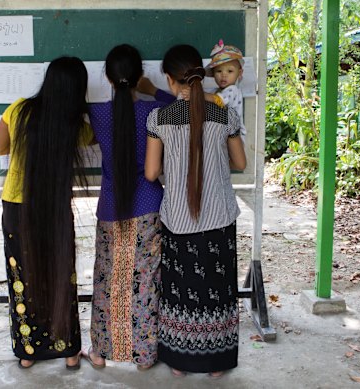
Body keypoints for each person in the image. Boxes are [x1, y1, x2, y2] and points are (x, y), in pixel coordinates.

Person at [145, 44, 246, 378]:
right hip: (219, 218)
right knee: (218, 289)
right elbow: (240, 163)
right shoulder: (224, 115)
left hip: (178, 219)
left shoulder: (159, 118)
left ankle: (180, 363)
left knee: (180, 290)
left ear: (172, 81)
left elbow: (150, 172)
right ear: (202, 76)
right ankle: (218, 363)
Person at [0, 56, 93, 370]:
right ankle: (70, 351)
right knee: (62, 275)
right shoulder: (75, 122)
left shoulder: (19, 109)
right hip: (56, 207)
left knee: (23, 277)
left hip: (17, 207)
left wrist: (20, 141)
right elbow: (96, 137)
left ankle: (28, 353)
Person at [84, 44, 174, 370]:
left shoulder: (98, 113)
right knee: (145, 283)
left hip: (111, 206)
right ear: (139, 76)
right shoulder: (155, 111)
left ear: (107, 77)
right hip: (149, 204)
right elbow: (181, 104)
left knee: (108, 282)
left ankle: (100, 352)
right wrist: (154, 90)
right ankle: (144, 355)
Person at [204, 39, 247, 144]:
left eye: (230, 71)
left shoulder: (233, 90)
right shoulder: (215, 91)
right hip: (222, 134)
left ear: (239, 73)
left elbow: (219, 100)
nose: (224, 75)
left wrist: (198, 94)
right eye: (219, 71)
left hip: (234, 137)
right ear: (213, 73)